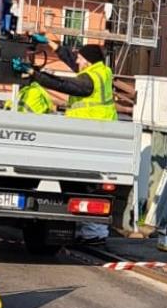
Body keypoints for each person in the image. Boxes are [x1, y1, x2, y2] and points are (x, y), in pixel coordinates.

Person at [16, 42, 115, 242]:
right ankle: (90, 230)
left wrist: (35, 75)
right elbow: (72, 60)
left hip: (92, 137)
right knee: (83, 184)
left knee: (87, 186)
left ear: (87, 61)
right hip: (94, 136)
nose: (77, 60)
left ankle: (94, 233)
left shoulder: (90, 79)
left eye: (80, 58)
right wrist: (51, 43)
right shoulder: (99, 71)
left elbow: (64, 85)